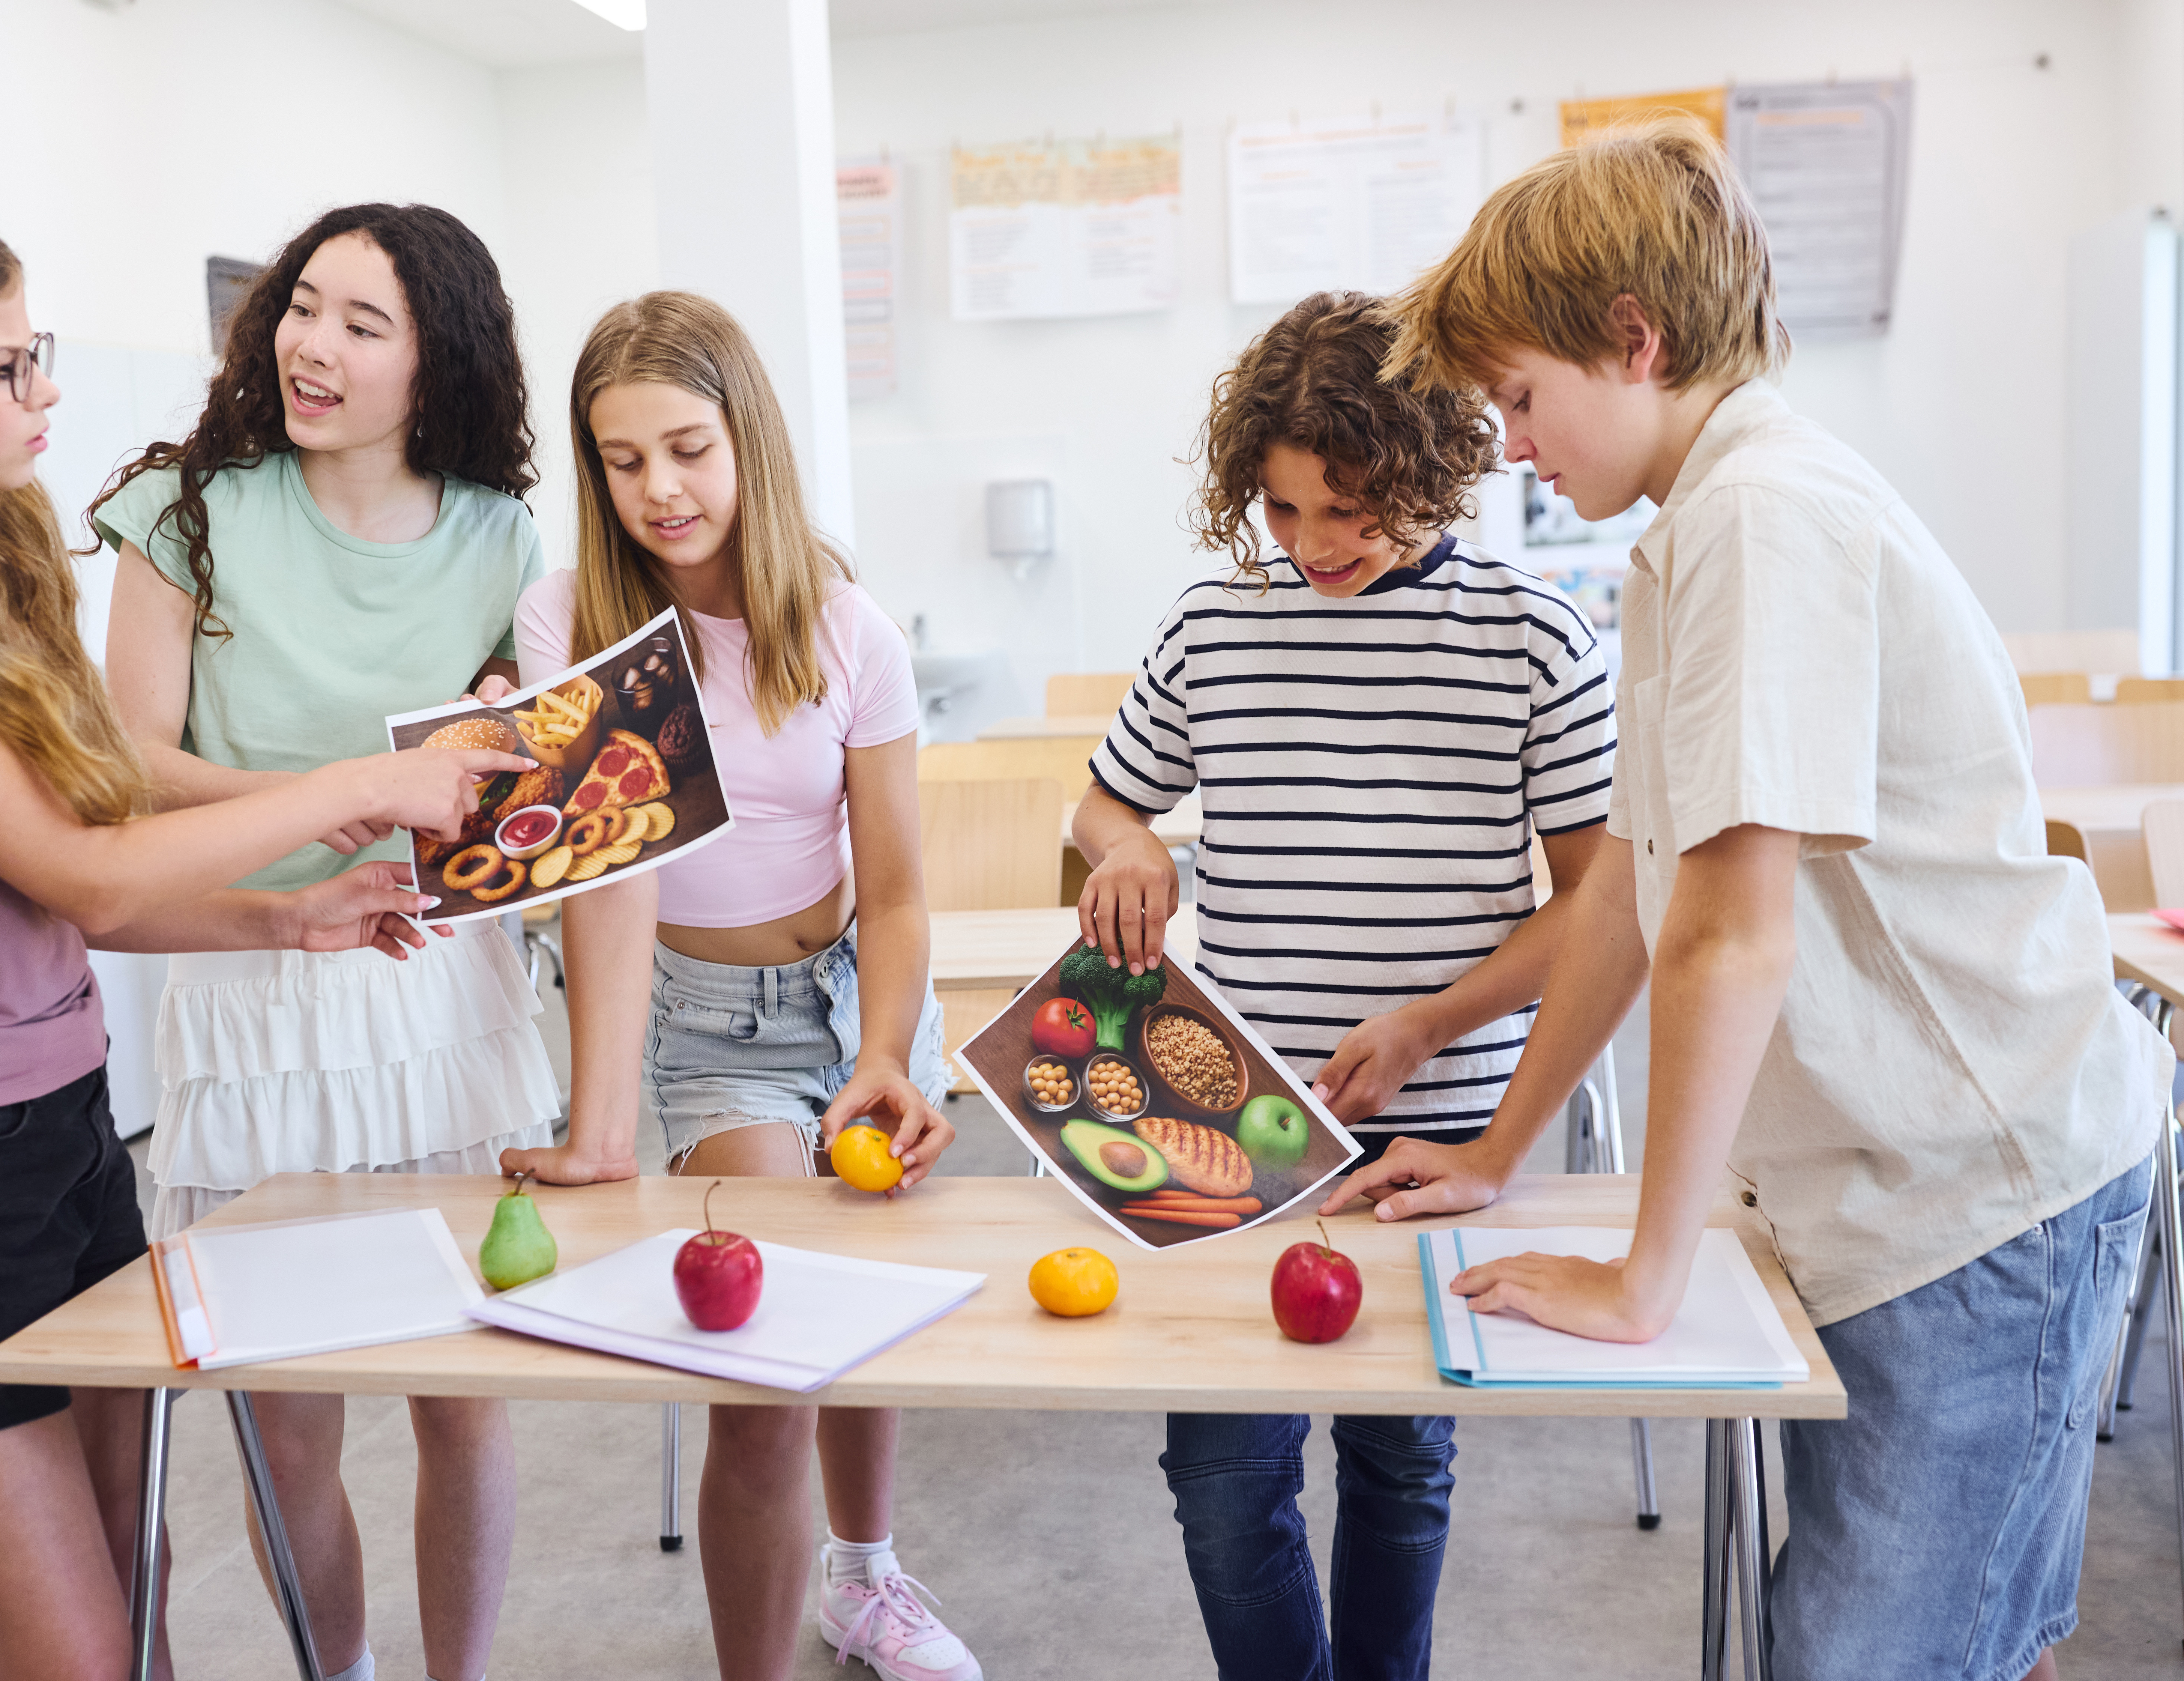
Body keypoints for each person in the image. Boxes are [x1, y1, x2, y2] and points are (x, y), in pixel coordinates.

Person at [1337, 117, 2167, 1681]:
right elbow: (1631, 903)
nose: (1512, 444)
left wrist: (1644, 1275)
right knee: (1966, 1629)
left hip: (1978, 1193)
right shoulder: (1688, 533)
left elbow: (1733, 928)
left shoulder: (1757, 516)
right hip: (1899, 1184)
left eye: (1520, 396)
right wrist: (1505, 1150)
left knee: (1876, 1651)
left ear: (1634, 342)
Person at [0, 200, 511, 1681]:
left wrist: (288, 914)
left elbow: (71, 899)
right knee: (84, 1644)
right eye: (9, 367)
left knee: (137, 1568)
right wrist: (360, 785)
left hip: (63, 1133)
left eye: (39, 356)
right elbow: (84, 877)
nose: (47, 394)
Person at [1071, 290, 1615, 1681]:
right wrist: (1130, 848)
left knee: (1399, 1463)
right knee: (1220, 1474)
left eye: (1350, 510)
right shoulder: (1214, 623)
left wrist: (1434, 1021)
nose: (1312, 547)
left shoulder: (1535, 640)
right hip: (1231, 1121)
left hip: (1433, 1135)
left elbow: (1604, 907)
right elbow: (1102, 805)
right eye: (1284, 511)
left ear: (1442, 470)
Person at [90, 203, 557, 1681]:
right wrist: (337, 801)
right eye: (304, 306)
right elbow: (126, 767)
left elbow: (521, 762)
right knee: (286, 1412)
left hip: (445, 997)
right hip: (253, 981)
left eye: (364, 324)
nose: (313, 343)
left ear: (439, 364)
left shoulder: (502, 537)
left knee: (464, 1397)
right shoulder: (186, 509)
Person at [502, 292, 974, 1681]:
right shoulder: (571, 621)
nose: (660, 489)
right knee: (765, 1367)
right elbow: (609, 874)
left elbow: (891, 891)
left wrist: (888, 1049)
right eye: (622, 458)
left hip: (862, 998)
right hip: (711, 1025)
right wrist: (598, 1130)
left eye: (689, 448)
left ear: (748, 442)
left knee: (864, 1314)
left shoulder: (845, 629)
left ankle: (867, 1579)